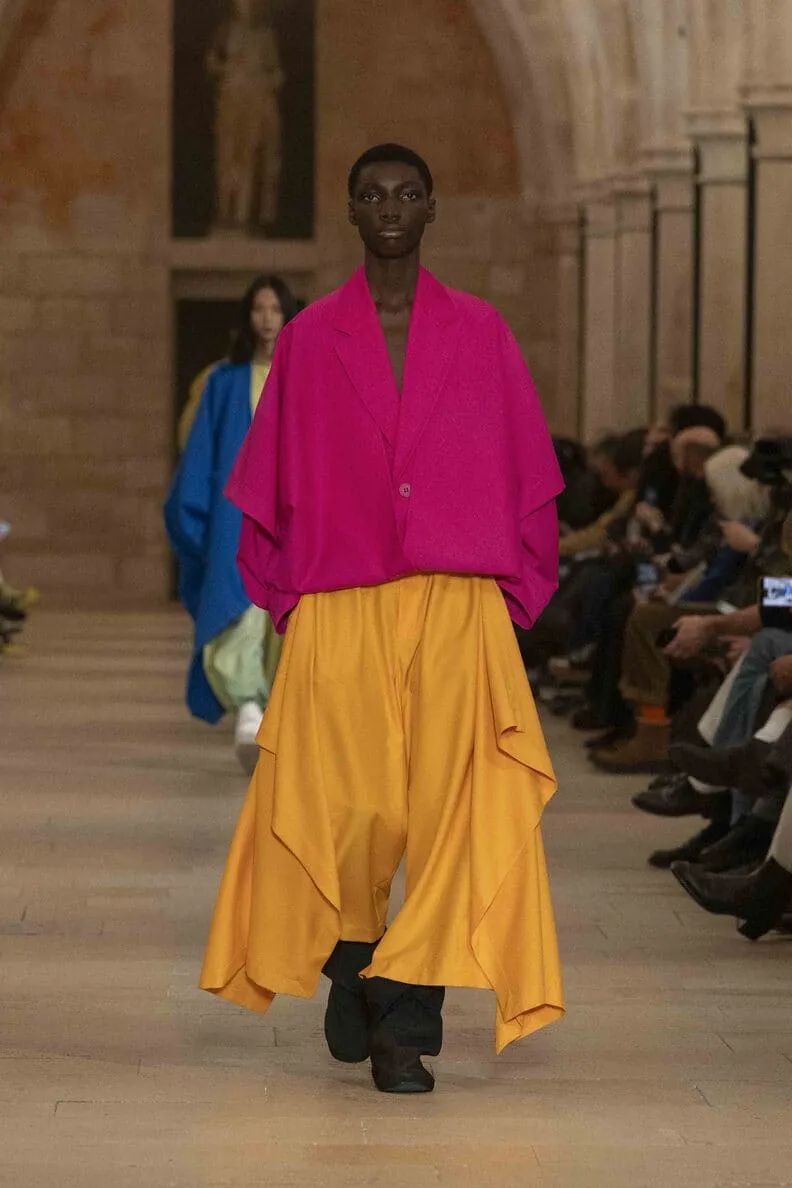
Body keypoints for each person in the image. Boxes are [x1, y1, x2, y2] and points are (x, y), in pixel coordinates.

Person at [199, 144, 565, 1094]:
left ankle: (405, 1018)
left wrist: (516, 591)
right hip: (343, 598)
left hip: (455, 601)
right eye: (372, 195)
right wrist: (283, 594)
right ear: (352, 212)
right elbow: (272, 476)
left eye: (407, 194)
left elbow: (526, 465)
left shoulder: (481, 332)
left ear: (432, 207)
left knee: (450, 814)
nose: (390, 207)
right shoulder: (310, 339)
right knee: (353, 808)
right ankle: (353, 962)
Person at [165, 275, 298, 772]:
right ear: (247, 316)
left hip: (290, 513)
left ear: (288, 315)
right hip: (236, 513)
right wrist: (196, 511)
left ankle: (273, 709)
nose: (267, 319)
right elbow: (203, 450)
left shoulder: (305, 376)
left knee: (283, 612)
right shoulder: (223, 382)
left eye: (275, 309)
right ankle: (247, 706)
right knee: (241, 608)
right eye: (259, 309)